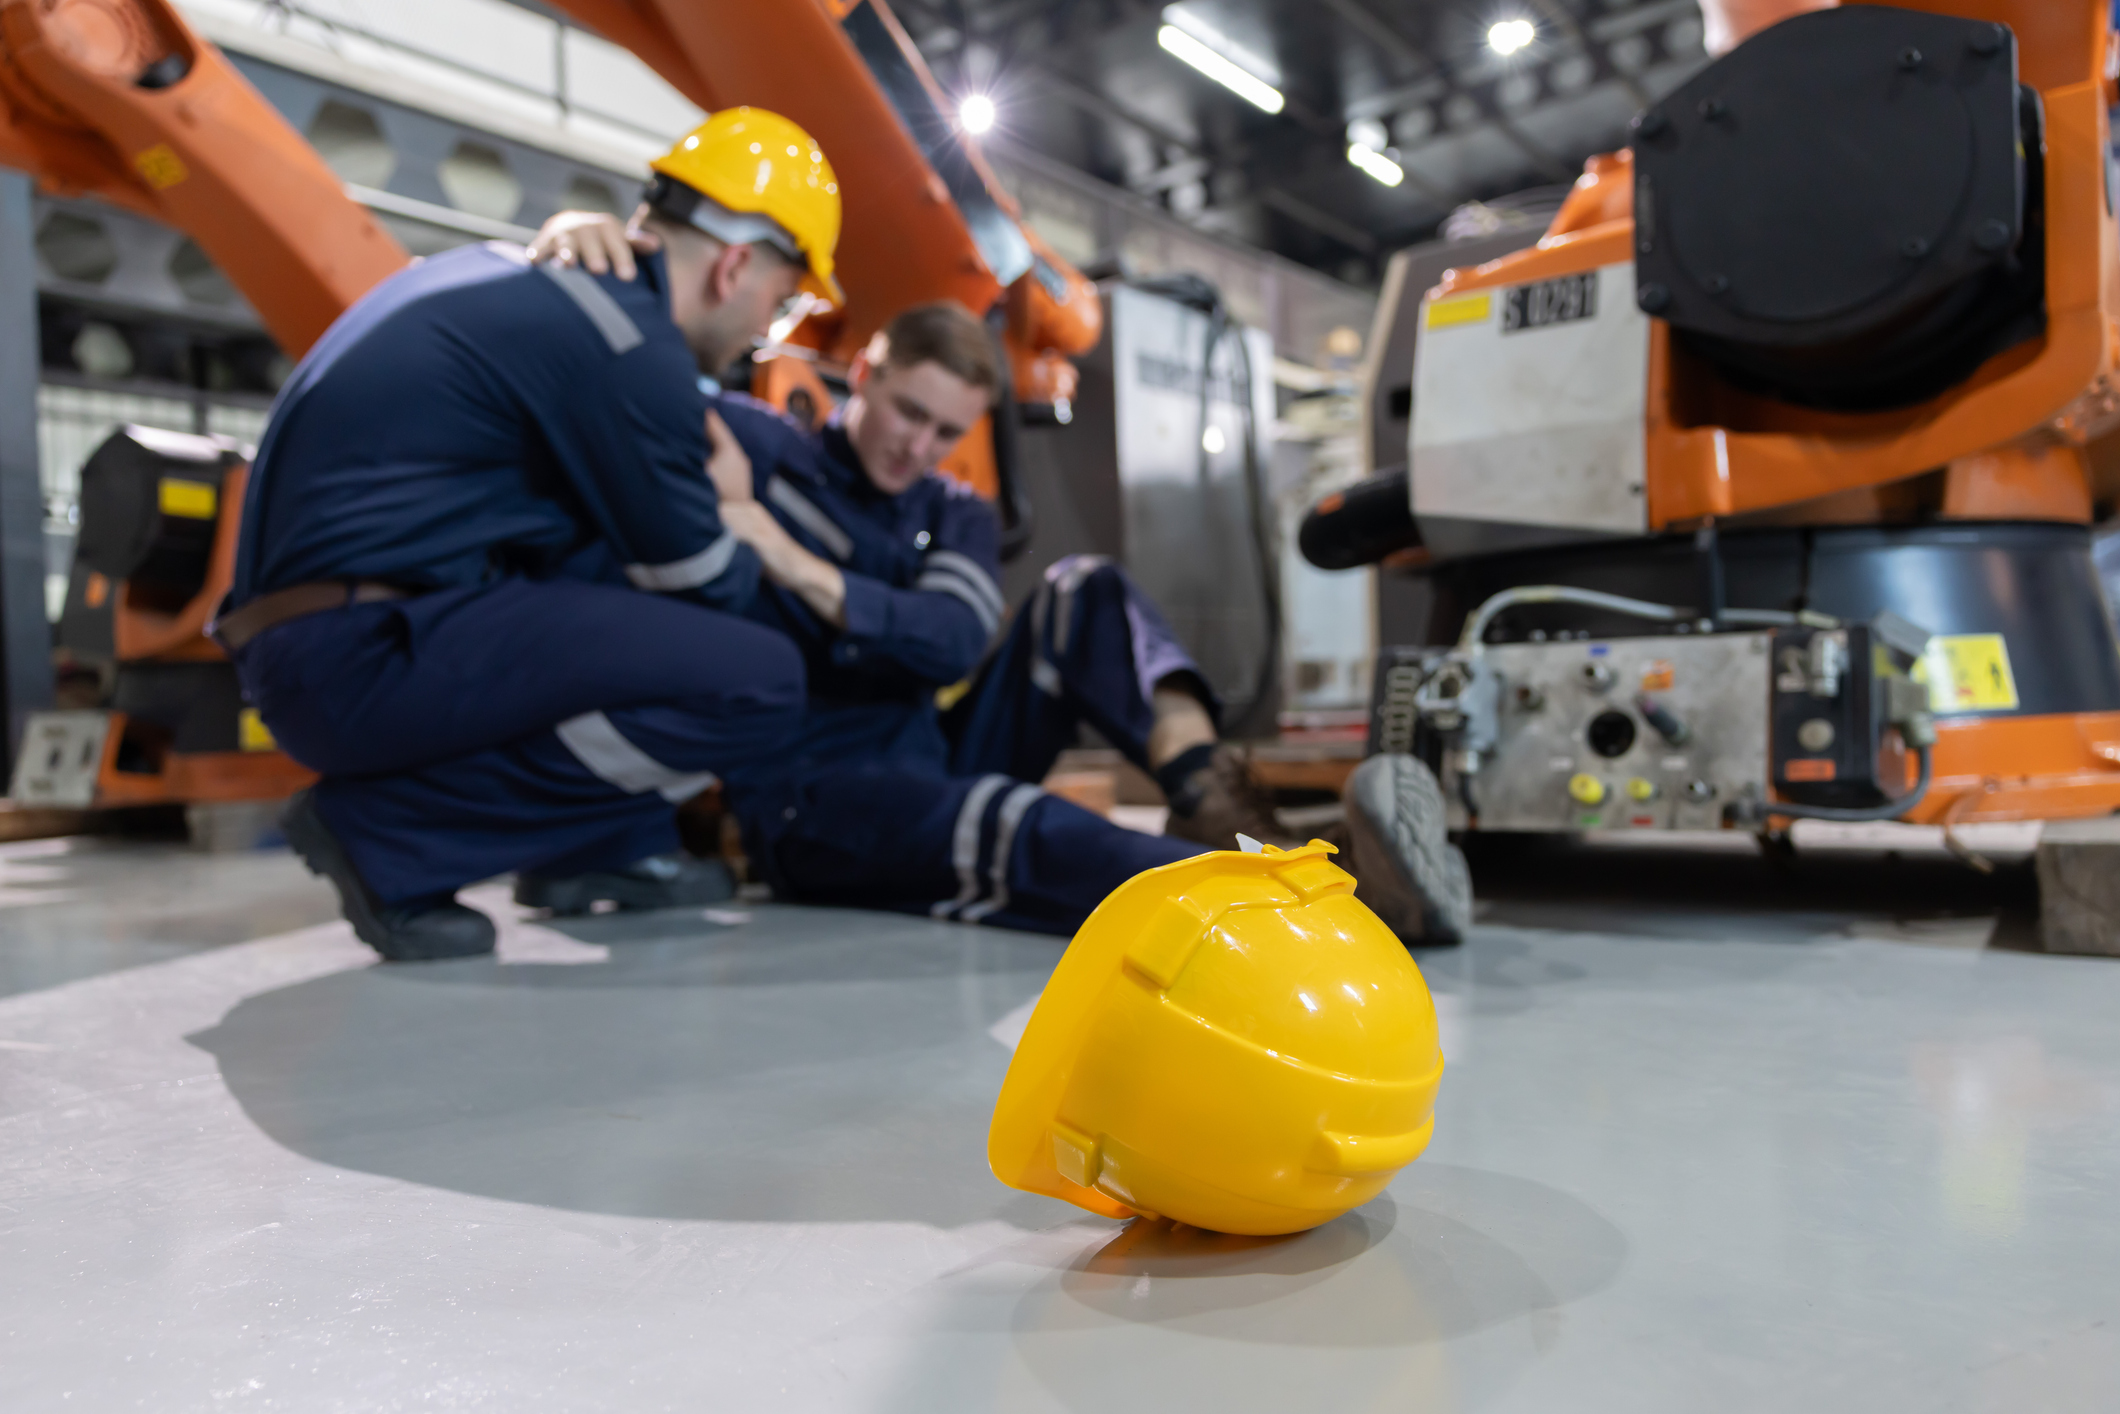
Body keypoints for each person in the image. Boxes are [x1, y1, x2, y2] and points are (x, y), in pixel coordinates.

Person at [541, 213, 1475, 941]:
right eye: (906, 412)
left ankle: (1218, 809)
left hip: (931, 752)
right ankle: (1297, 903)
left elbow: (951, 640)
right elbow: (636, 388)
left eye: (946, 431)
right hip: (807, 794)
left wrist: (788, 560)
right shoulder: (763, 450)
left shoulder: (951, 509)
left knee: (1084, 591)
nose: (918, 445)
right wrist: (579, 257)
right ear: (864, 372)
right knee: (1010, 823)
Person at [217, 109, 852, 962]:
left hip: (315, 641)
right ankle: (391, 834)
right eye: (779, 306)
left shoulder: (520, 278)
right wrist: (736, 507)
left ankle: (596, 848)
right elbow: (705, 586)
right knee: (758, 679)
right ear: (735, 265)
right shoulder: (630, 345)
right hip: (353, 659)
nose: (761, 336)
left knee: (608, 569)